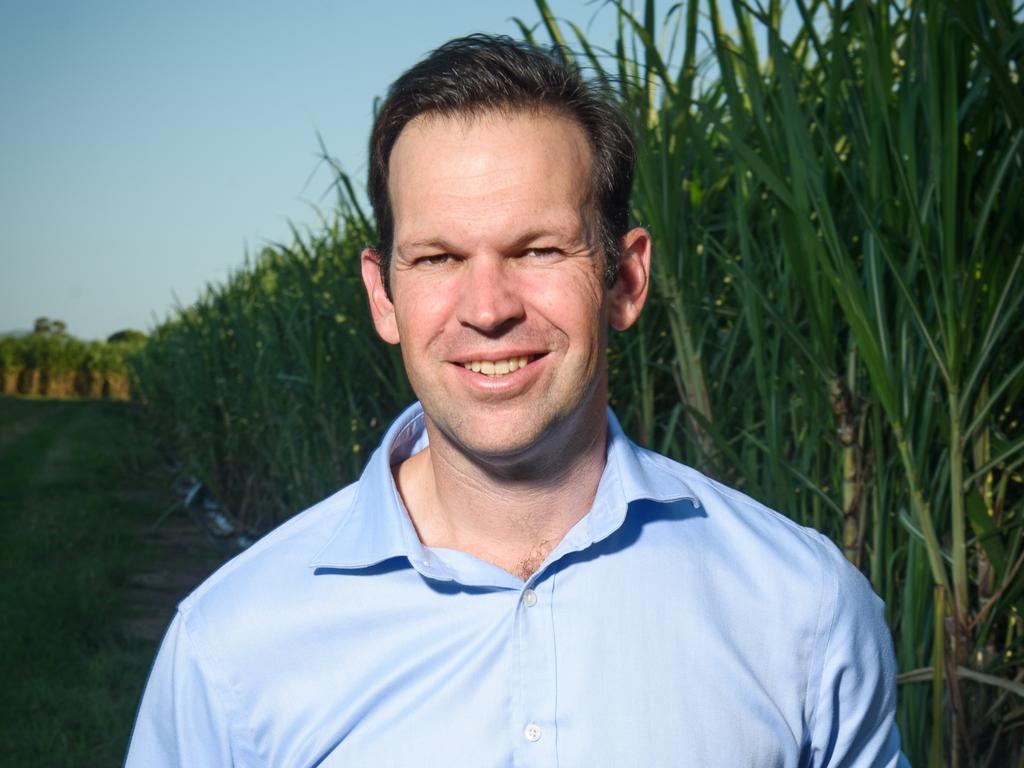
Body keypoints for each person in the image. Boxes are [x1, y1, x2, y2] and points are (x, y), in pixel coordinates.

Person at [126, 35, 907, 767]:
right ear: (383, 296)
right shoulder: (229, 646)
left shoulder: (803, 610)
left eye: (537, 249)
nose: (488, 307)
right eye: (437, 257)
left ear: (625, 279)